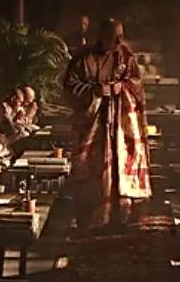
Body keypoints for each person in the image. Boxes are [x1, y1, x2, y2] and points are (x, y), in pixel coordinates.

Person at [64, 18, 152, 233]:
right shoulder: (83, 59)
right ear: (102, 36)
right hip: (92, 124)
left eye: (121, 36)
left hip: (121, 125)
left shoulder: (126, 57)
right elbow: (70, 87)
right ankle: (90, 219)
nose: (120, 41)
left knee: (120, 165)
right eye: (115, 37)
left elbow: (137, 84)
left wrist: (121, 88)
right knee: (90, 169)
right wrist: (95, 91)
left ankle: (121, 218)